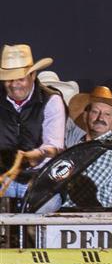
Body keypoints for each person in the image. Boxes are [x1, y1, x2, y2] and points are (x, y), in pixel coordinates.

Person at [0, 44, 65, 203]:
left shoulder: (51, 100)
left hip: (38, 178)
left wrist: (39, 154)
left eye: (20, 79)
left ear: (33, 75)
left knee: (48, 204)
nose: (14, 84)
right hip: (2, 176)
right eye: (9, 79)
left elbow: (54, 145)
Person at [57, 86, 112, 209]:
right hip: (77, 216)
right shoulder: (82, 144)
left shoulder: (110, 150)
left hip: (95, 218)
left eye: (107, 114)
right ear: (85, 116)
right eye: (95, 112)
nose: (100, 118)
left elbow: (81, 194)